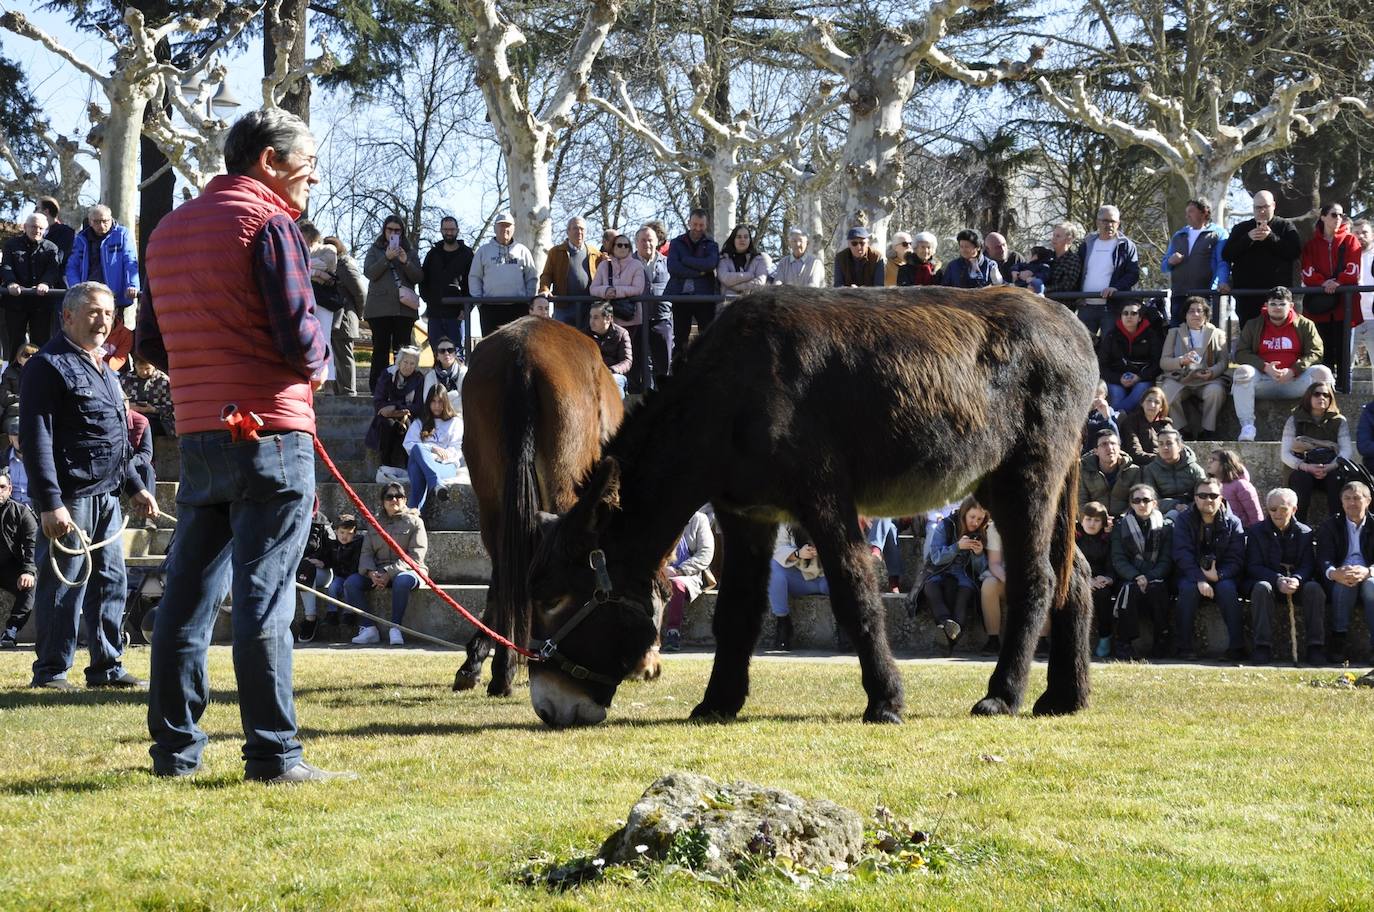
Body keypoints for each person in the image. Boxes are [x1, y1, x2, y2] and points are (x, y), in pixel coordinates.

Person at [140, 108, 349, 783]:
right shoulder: (270, 224)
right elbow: (298, 339)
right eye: (306, 161)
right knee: (266, 597)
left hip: (202, 429)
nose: (313, 174)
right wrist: (320, 358)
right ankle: (273, 754)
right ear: (268, 161)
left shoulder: (167, 230)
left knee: (185, 597)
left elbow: (149, 345)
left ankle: (174, 753)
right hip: (273, 432)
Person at [22, 282, 158, 690]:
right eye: (94, 312)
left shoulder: (104, 367)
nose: (103, 322)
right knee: (65, 586)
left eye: (109, 314)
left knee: (110, 583)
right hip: (70, 498)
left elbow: (115, 434)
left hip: (108, 497)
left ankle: (107, 667)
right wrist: (50, 502)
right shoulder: (46, 366)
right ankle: (51, 671)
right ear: (68, 316)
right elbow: (36, 437)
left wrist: (135, 485)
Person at [1232, 286, 1333, 442]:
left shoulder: (1305, 325)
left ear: (1291, 305)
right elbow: (1240, 353)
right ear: (1266, 306)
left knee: (1323, 373)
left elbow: (1316, 352)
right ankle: (1247, 427)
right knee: (1242, 372)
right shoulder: (1253, 325)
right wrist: (1265, 367)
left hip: (1295, 381)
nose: (1277, 308)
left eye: (1282, 304)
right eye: (1273, 304)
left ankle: (1323, 424)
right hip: (1264, 381)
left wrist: (1294, 370)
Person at [1245, 487, 1325, 665]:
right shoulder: (1256, 532)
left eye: (1283, 509)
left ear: (1294, 509)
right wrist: (1277, 579)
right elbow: (1253, 566)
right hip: (1270, 581)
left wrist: (1297, 579)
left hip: (1296, 582)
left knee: (1314, 589)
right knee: (1261, 588)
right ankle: (1262, 646)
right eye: (1273, 509)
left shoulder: (1305, 532)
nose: (1277, 514)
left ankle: (1316, 646)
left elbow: (1308, 564)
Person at [1172, 477, 1247, 660]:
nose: (1208, 500)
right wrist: (1200, 578)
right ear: (1195, 498)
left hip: (1223, 574)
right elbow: (1182, 554)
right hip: (1191, 574)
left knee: (1228, 589)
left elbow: (1236, 558)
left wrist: (1218, 575)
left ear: (1221, 498)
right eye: (1203, 495)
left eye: (1213, 495)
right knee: (1188, 590)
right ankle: (1184, 647)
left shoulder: (1233, 522)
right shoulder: (1184, 520)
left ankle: (1237, 648)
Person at [345, 482, 427, 646]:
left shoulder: (415, 522)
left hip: (409, 570)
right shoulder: (374, 523)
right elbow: (366, 553)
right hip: (380, 571)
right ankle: (368, 628)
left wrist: (390, 572)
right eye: (389, 496)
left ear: (404, 499)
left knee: (402, 580)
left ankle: (395, 627)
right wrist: (371, 573)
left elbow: (416, 555)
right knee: (351, 583)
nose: (394, 500)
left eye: (398, 496)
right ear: (383, 501)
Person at [1299, 202, 1363, 387]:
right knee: (1322, 352)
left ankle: (1344, 390)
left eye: (1341, 215)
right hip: (1320, 308)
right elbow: (1307, 272)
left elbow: (1353, 271)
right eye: (1334, 215)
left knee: (1344, 353)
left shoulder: (1351, 240)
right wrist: (1323, 282)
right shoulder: (1311, 245)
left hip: (1345, 307)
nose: (1338, 219)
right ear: (1323, 216)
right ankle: (1322, 391)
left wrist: (1337, 282)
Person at [1110, 484, 1174, 659]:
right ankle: (1124, 643)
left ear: (1154, 503)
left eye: (1146, 500)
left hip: (1155, 577)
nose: (1141, 504)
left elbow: (1166, 560)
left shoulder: (1166, 527)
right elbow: (1118, 558)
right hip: (1129, 577)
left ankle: (1161, 641)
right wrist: (1136, 576)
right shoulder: (1121, 526)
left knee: (1157, 589)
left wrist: (1149, 577)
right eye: (1136, 500)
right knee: (1129, 591)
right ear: (1131, 503)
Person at [1221, 189, 1303, 326]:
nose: (1262, 211)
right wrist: (1247, 239)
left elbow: (1294, 252)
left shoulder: (1285, 226)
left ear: (1274, 206)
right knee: (1249, 341)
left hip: (1277, 298)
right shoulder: (1241, 228)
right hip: (1247, 298)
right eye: (1258, 207)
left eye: (1265, 207)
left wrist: (1271, 238)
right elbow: (1227, 254)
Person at [363, 215, 424, 395]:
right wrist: (386, 258)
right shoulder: (374, 250)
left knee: (403, 352)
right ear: (384, 230)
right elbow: (369, 273)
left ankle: (403, 388)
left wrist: (405, 262)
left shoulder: (410, 252)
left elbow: (418, 277)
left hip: (404, 310)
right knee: (380, 350)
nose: (393, 233)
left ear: (402, 232)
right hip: (379, 310)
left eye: (397, 230)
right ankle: (378, 389)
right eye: (390, 229)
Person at [1315, 481, 1374, 664]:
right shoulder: (1330, 525)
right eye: (1347, 498)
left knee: (1372, 586)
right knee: (1344, 584)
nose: (1351, 503)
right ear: (1341, 502)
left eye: (1357, 498)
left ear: (1368, 501)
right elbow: (1323, 557)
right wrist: (1334, 573)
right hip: (1340, 572)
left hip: (1369, 572)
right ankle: (1338, 639)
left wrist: (1368, 571)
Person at [921, 496, 989, 648]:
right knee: (931, 587)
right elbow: (936, 558)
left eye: (979, 519)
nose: (975, 522)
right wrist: (957, 547)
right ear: (964, 513)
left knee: (963, 597)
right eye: (972, 517)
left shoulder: (982, 533)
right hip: (939, 570)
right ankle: (946, 624)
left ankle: (946, 636)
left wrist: (978, 555)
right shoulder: (945, 525)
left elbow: (982, 570)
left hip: (964, 575)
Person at [1281, 380, 1352, 524]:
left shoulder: (1339, 421)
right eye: (1317, 394)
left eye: (1326, 395)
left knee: (1336, 479)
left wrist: (1330, 466)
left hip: (1330, 467)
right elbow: (1285, 454)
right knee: (1302, 479)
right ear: (1308, 397)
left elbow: (1346, 451)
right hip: (1302, 467)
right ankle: (1298, 527)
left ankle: (1338, 527)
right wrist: (1306, 467)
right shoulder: (1294, 420)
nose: (1322, 398)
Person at [1158, 296, 1228, 439]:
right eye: (1191, 311)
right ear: (1185, 315)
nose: (1196, 314)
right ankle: (1182, 430)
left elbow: (1223, 361)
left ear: (1206, 315)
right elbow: (1164, 362)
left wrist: (1212, 372)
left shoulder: (1218, 333)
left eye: (1200, 311)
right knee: (1166, 391)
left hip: (1207, 379)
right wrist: (1181, 361)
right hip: (1181, 378)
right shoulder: (1174, 333)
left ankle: (1207, 431)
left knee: (1216, 391)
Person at [1, 212, 63, 360]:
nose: (37, 231)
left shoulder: (51, 248)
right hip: (15, 302)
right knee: (14, 342)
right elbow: (6, 266)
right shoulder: (11, 245)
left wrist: (45, 283)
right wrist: (11, 283)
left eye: (41, 228)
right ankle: (11, 377)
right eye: (34, 227)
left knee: (41, 342)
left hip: (41, 303)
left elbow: (53, 270)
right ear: (25, 227)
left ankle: (39, 375)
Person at [469, 211, 537, 337]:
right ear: (495, 228)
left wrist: (528, 299)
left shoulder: (522, 251)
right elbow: (474, 277)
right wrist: (479, 300)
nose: (504, 229)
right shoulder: (483, 251)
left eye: (508, 225)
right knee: (491, 349)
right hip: (490, 309)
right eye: (501, 225)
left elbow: (531, 277)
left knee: (517, 346)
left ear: (513, 228)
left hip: (518, 308)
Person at [1160, 200, 1229, 324]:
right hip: (1179, 295)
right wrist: (1170, 261)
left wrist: (1223, 282)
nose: (1187, 216)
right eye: (1186, 212)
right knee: (1177, 335)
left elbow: (1222, 262)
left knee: (1203, 336)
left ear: (1204, 212)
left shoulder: (1218, 233)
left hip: (1204, 295)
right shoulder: (1178, 235)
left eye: (1191, 211)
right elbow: (1164, 266)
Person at [1076, 205, 1140, 336]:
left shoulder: (1126, 246)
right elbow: (1078, 270)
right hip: (1086, 305)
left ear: (1118, 223)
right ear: (1097, 222)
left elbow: (1133, 273)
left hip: (1112, 307)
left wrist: (1116, 288)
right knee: (1083, 347)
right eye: (1105, 221)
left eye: (1113, 221)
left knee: (1109, 348)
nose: (1109, 225)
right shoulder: (1087, 244)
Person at [665, 208, 721, 354]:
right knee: (680, 340)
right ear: (689, 222)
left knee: (707, 339)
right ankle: (679, 373)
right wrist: (701, 271)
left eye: (701, 225)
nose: (697, 228)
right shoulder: (677, 243)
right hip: (681, 297)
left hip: (704, 298)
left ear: (706, 225)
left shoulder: (711, 244)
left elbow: (710, 264)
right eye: (695, 224)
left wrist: (686, 260)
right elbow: (673, 267)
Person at [64, 204, 139, 313]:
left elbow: (130, 261)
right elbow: (72, 266)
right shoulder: (81, 238)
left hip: (115, 295)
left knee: (115, 328)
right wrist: (76, 288)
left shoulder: (122, 234)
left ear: (111, 219)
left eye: (105, 221)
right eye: (97, 222)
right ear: (90, 222)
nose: (102, 225)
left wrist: (132, 285)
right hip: (88, 295)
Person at [660, 509, 715, 652]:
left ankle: (673, 633)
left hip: (689, 574)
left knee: (676, 584)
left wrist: (679, 570)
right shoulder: (660, 515)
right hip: (660, 570)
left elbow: (705, 553)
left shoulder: (699, 519)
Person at [403, 384, 464, 513]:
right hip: (424, 463)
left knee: (417, 468)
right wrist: (432, 449)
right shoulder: (420, 422)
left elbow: (456, 449)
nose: (437, 406)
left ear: (446, 402)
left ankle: (412, 513)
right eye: (433, 402)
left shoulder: (455, 422)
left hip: (446, 465)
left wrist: (435, 457)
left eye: (440, 402)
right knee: (417, 450)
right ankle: (435, 484)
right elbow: (408, 444)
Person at [419, 215, 474, 356]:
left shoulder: (467, 254)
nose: (449, 232)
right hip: (435, 313)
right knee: (436, 353)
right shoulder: (432, 254)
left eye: (452, 229)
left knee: (457, 353)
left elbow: (473, 282)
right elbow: (423, 279)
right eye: (446, 229)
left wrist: (466, 308)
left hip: (457, 314)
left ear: (457, 230)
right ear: (441, 230)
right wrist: (428, 299)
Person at [768, 524, 828, 651]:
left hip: (827, 578)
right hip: (799, 579)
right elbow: (777, 549)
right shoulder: (787, 518)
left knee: (845, 574)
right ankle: (783, 624)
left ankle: (845, 628)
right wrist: (798, 553)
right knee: (773, 567)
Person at [367, 345, 425, 471]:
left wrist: (397, 408)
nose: (408, 366)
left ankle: (409, 465)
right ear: (399, 361)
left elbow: (419, 405)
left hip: (408, 415)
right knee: (386, 424)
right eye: (405, 362)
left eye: (412, 363)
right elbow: (378, 401)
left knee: (408, 426)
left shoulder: (419, 378)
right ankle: (386, 462)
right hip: (388, 414)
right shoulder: (387, 375)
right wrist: (394, 409)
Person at [540, 216, 605, 327]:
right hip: (563, 306)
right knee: (562, 339)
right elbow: (546, 275)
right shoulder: (556, 252)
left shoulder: (595, 253)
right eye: (575, 228)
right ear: (568, 231)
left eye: (582, 229)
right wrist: (544, 289)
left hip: (589, 306)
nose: (579, 232)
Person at [1098, 303, 1163, 414]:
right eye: (1125, 313)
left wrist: (1139, 377)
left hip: (1143, 378)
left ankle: (1114, 416)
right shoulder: (1111, 335)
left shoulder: (1151, 335)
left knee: (1141, 389)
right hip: (1117, 378)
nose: (1129, 316)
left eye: (1133, 313)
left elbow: (1157, 363)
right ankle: (1119, 420)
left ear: (1140, 318)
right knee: (1117, 393)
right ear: (1121, 316)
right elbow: (1102, 365)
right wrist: (1119, 378)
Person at [630, 225, 673, 388]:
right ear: (636, 242)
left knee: (663, 364)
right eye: (642, 240)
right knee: (635, 364)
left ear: (657, 242)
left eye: (650, 240)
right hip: (636, 319)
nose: (646, 244)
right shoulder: (628, 263)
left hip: (661, 318)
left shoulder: (667, 262)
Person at [0, 473, 37, 649]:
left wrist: (28, 571)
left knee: (30, 586)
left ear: (10, 489)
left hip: (11, 569)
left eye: (2, 487)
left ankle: (11, 631)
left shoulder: (22, 512)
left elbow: (32, 545)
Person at [1075, 501, 1116, 659]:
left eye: (1097, 520)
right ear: (1082, 519)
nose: (1092, 524)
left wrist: (1108, 578)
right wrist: (1087, 581)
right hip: (1079, 579)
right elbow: (1070, 565)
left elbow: (1114, 562)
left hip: (1102, 580)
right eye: (1088, 519)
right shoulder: (1074, 537)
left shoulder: (1109, 538)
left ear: (1103, 522)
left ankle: (1105, 638)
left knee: (1103, 594)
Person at [293, 504, 335, 643]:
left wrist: (323, 561)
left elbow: (334, 550)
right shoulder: (285, 519)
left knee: (306, 568)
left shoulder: (323, 522)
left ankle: (310, 619)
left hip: (320, 572)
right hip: (292, 572)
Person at [1142, 428, 1206, 513]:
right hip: (1164, 512)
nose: (1165, 447)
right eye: (1161, 444)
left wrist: (1190, 507)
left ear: (1179, 446)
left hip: (1192, 510)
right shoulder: (1150, 470)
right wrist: (1175, 505)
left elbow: (1204, 494)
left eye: (1169, 443)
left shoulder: (1194, 468)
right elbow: (1150, 499)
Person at [1079, 431, 1142, 516]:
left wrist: (1122, 519)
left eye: (1113, 443)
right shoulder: (1084, 471)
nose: (1110, 448)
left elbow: (1136, 501)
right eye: (1104, 444)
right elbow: (1081, 503)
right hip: (1094, 521)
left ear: (1119, 448)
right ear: (1096, 451)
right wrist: (1099, 520)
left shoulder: (1133, 471)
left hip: (1125, 521)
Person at [120, 353, 176, 437]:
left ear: (154, 366)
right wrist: (128, 406)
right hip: (131, 415)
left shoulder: (163, 381)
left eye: (147, 368)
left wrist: (153, 409)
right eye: (140, 368)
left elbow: (171, 407)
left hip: (156, 419)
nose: (144, 372)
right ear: (135, 366)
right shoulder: (126, 379)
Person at [584, 302, 633, 397]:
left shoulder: (622, 334)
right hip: (591, 374)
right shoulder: (584, 335)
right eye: (591, 317)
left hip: (613, 374)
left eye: (596, 317)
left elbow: (627, 361)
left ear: (608, 318)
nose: (591, 321)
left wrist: (611, 370)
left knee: (614, 383)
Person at [1207, 448, 1263, 529]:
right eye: (1209, 459)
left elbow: (1255, 515)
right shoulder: (1210, 485)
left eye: (1213, 459)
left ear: (1225, 463)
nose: (1209, 462)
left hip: (1241, 532)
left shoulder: (1241, 485)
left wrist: (1257, 535)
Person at [1118, 385, 1174, 464]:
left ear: (1161, 407)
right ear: (1142, 403)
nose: (1152, 405)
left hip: (1164, 465)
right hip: (1141, 467)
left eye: (1157, 402)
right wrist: (1163, 459)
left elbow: (1175, 449)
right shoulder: (1131, 422)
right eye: (1149, 401)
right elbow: (1135, 454)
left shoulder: (1165, 425)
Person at [717, 225, 771, 300]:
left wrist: (735, 287)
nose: (742, 239)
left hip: (752, 304)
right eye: (739, 237)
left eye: (746, 237)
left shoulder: (759, 259)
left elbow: (760, 282)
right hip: (728, 304)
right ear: (733, 239)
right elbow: (725, 278)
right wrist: (749, 275)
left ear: (749, 239)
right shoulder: (723, 258)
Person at [0, 343, 37, 437]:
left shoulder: (46, 374)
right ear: (19, 358)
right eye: (26, 355)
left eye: (35, 355)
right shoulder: (9, 373)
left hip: (38, 414)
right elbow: (4, 398)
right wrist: (25, 398)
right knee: (18, 427)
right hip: (15, 414)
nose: (30, 358)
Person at [1042, 220, 1085, 300]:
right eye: (1053, 235)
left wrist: (1043, 289)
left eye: (1058, 236)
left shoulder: (1073, 260)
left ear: (1069, 240)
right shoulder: (1047, 257)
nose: (1054, 239)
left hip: (1061, 306)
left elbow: (1066, 285)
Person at [1352, 219, 1374, 370]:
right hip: (1351, 318)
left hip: (1373, 317)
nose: (1361, 236)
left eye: (1365, 232)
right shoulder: (1346, 257)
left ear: (1372, 235)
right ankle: (1343, 395)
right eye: (1357, 233)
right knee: (1344, 366)